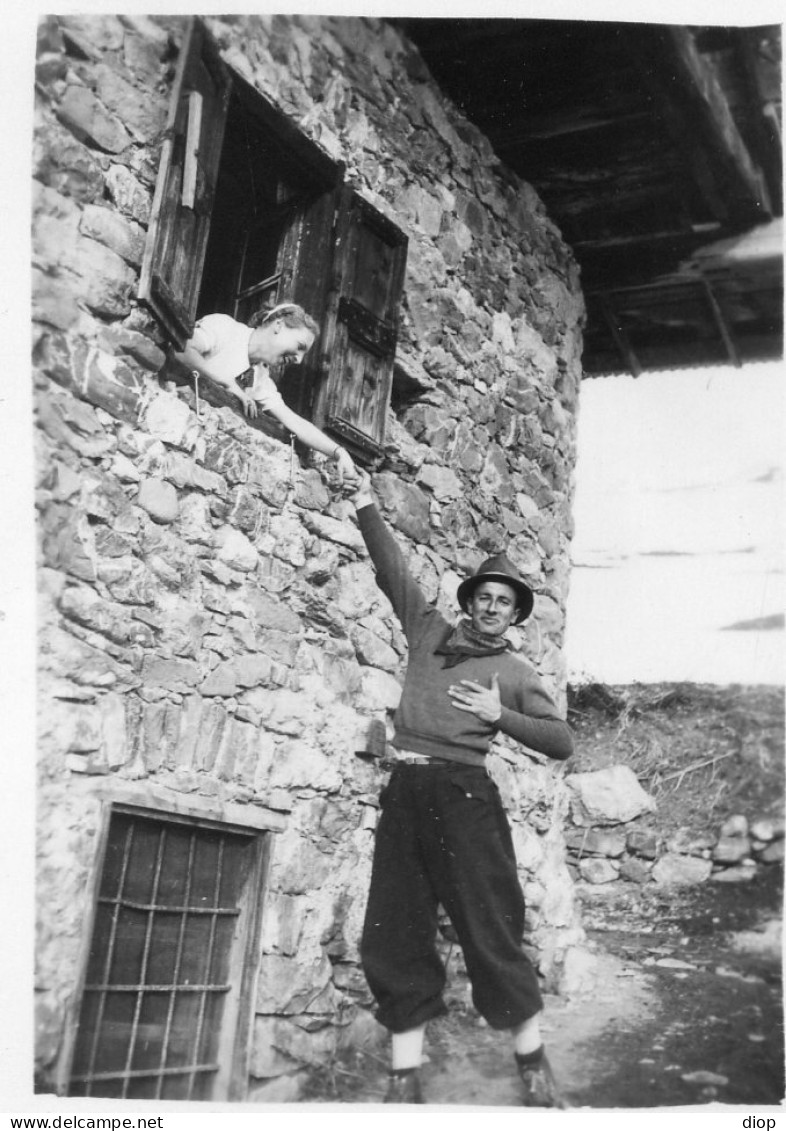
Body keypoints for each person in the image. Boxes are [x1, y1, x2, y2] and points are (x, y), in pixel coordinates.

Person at [349, 470, 574, 1106]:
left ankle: (531, 1061)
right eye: (484, 597)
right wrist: (363, 501)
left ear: (515, 614)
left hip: (467, 798)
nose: (491, 608)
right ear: (469, 600)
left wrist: (498, 716)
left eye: (504, 602)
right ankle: (404, 1078)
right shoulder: (428, 633)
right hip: (407, 792)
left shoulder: (512, 669)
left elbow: (561, 741)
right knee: (395, 926)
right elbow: (390, 565)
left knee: (489, 925)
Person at [174, 303, 359, 484]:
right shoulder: (225, 328)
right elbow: (181, 349)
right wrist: (227, 382)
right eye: (300, 346)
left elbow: (294, 422)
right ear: (278, 325)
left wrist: (339, 452)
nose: (299, 360)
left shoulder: (260, 378)